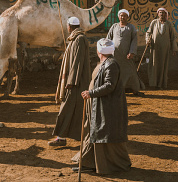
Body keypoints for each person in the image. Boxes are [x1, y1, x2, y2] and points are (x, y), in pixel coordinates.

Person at [72, 38, 131, 174]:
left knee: (103, 133)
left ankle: (114, 165)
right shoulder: (105, 63)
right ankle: (90, 163)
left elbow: (109, 86)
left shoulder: (111, 65)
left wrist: (91, 93)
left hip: (108, 107)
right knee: (96, 132)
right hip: (99, 105)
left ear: (99, 51)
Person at [48, 16, 91, 147]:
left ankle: (62, 138)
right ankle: (64, 137)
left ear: (69, 27)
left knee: (67, 109)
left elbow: (77, 62)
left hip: (76, 83)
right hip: (75, 82)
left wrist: (71, 82)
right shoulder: (75, 38)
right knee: (73, 110)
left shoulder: (79, 39)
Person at [106, 9, 145, 96]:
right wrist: (107, 51)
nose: (122, 17)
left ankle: (135, 90)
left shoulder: (131, 27)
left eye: (124, 16)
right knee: (115, 72)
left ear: (127, 17)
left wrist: (132, 52)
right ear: (118, 16)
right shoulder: (114, 26)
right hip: (115, 55)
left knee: (131, 72)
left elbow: (134, 40)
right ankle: (115, 90)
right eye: (121, 15)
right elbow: (108, 39)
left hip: (126, 55)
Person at [145, 7, 178, 89]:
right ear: (158, 13)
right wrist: (147, 41)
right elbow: (148, 33)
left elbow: (172, 37)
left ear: (165, 14)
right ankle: (153, 83)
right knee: (153, 64)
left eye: (163, 13)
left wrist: (174, 48)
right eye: (160, 12)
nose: (161, 14)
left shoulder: (169, 24)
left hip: (165, 48)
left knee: (163, 65)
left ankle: (161, 84)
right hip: (154, 48)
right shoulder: (154, 22)